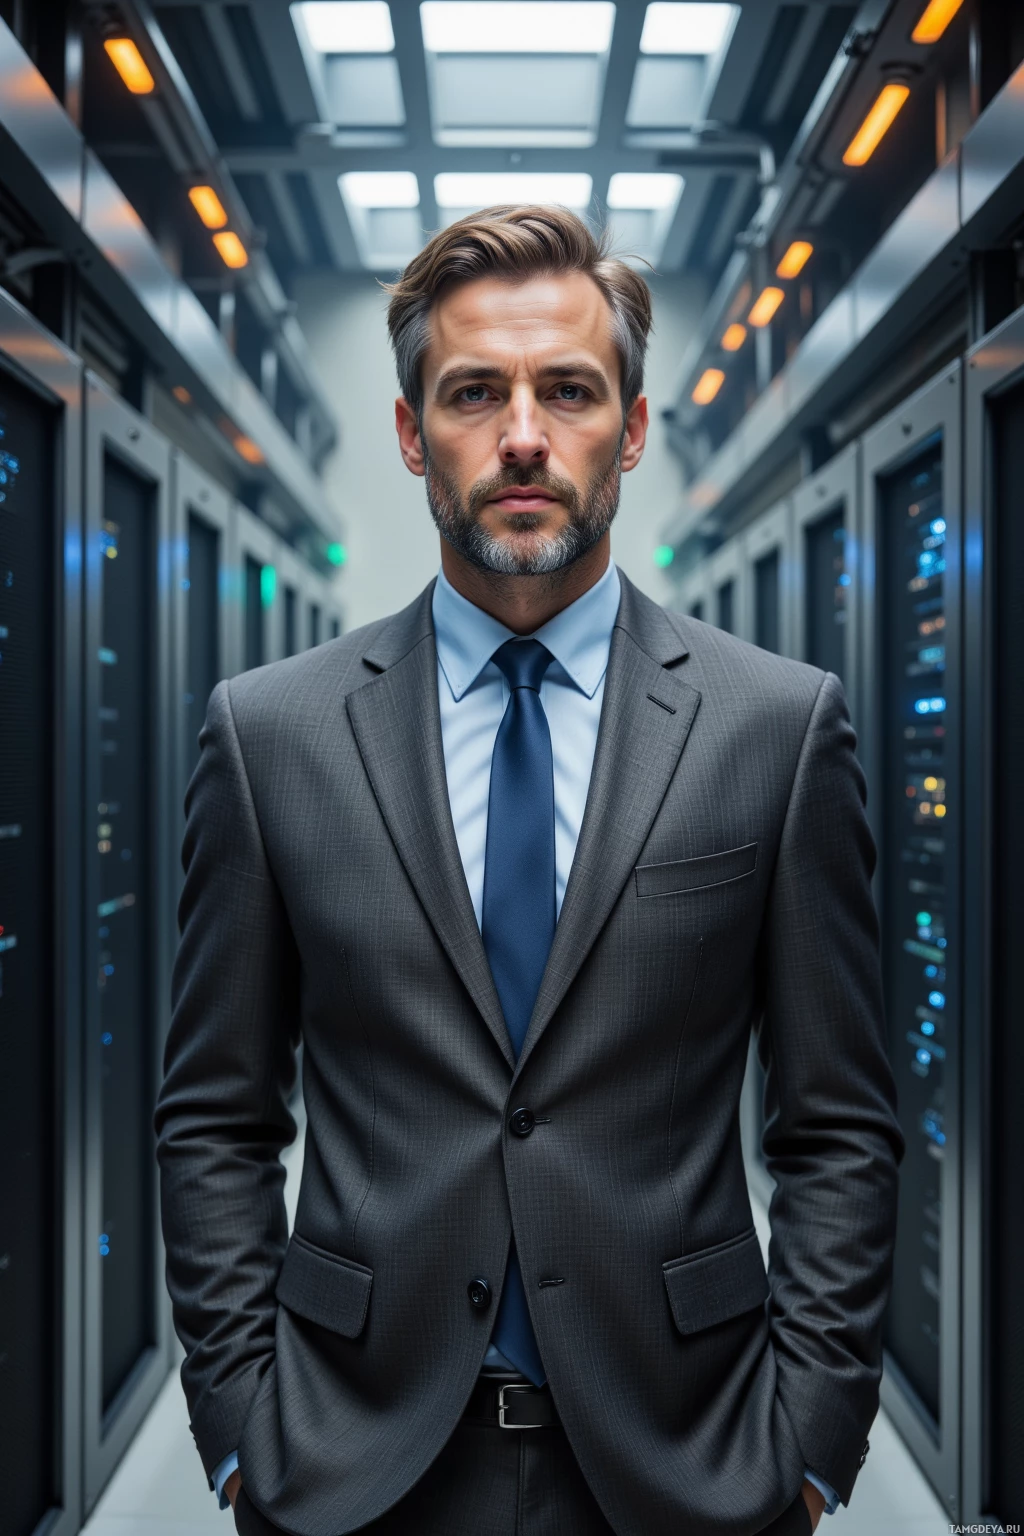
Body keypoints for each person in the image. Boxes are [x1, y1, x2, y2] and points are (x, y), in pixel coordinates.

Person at [156, 205, 903, 1536]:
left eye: (567, 389)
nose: (520, 435)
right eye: (472, 393)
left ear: (633, 427)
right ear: (410, 433)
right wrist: (238, 1432)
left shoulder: (776, 728)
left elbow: (837, 1125)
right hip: (348, 1458)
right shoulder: (270, 735)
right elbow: (216, 1115)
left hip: (689, 1456)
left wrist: (808, 1445)